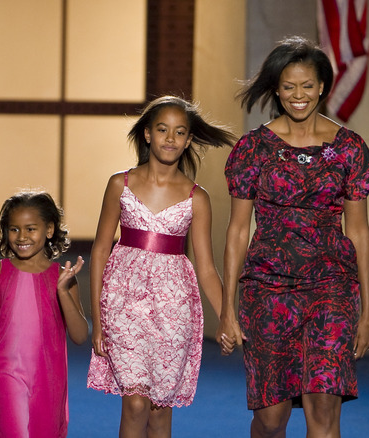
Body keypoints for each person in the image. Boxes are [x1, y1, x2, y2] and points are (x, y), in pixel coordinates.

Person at [217, 35, 369, 438]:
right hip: (267, 289)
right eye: (288, 86)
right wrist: (227, 308)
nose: (298, 95)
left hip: (332, 288)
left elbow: (358, 229)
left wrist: (368, 310)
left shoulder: (350, 149)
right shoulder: (254, 149)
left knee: (323, 412)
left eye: (307, 85)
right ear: (276, 88)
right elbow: (238, 230)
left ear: (323, 86)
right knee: (271, 420)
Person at [86, 96, 236, 437]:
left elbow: (207, 269)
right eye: (163, 129)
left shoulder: (197, 197)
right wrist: (98, 320)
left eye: (180, 132)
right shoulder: (119, 185)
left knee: (159, 412)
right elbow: (99, 252)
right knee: (136, 403)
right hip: (123, 303)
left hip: (173, 308)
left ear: (188, 140)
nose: (171, 138)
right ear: (148, 134)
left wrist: (227, 315)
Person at [0, 191, 87, 437]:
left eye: (30, 229)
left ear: (49, 229)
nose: (21, 236)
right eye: (14, 229)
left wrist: (63, 292)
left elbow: (79, 335)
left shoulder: (62, 278)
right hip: (4, 373)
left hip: (48, 379)